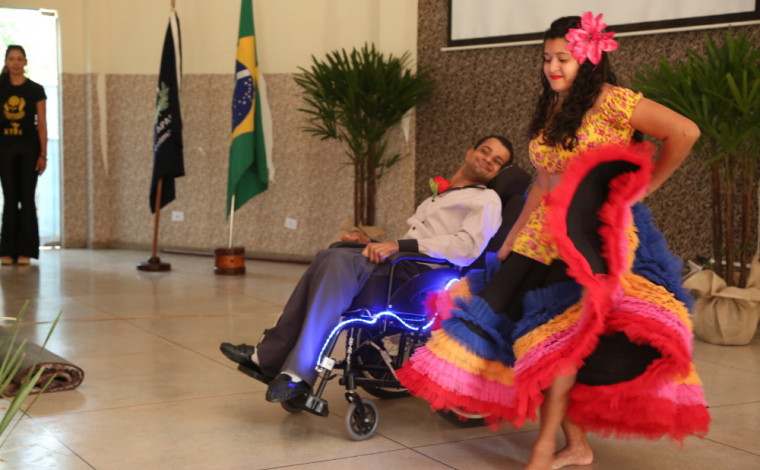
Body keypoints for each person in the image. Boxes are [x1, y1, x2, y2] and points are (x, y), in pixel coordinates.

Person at [397, 13, 710, 470]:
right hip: (539, 240)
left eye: (563, 58)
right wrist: (511, 239)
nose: (552, 67)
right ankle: (575, 444)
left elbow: (685, 132)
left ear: (588, 58)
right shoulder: (554, 108)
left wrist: (642, 188)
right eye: (547, 58)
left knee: (559, 341)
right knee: (530, 338)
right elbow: (543, 182)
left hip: (588, 242)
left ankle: (546, 447)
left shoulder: (614, 101)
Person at [221, 135, 513, 403]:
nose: (488, 159)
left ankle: (295, 373)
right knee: (329, 254)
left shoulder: (486, 200)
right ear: (470, 152)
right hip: (402, 264)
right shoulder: (439, 196)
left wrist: (397, 245)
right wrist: (372, 243)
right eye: (485, 151)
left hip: (421, 276)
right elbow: (415, 242)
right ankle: (269, 357)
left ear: (497, 172)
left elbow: (466, 248)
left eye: (497, 160)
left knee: (337, 260)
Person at [0, 45, 47, 265]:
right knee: (10, 199)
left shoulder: (35, 89)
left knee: (27, 199)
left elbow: (42, 125)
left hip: (30, 151)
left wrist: (43, 154)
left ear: (25, 62)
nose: (16, 63)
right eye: (12, 59)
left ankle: (26, 251)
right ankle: (7, 250)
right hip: (4, 151)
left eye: (19, 59)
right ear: (6, 62)